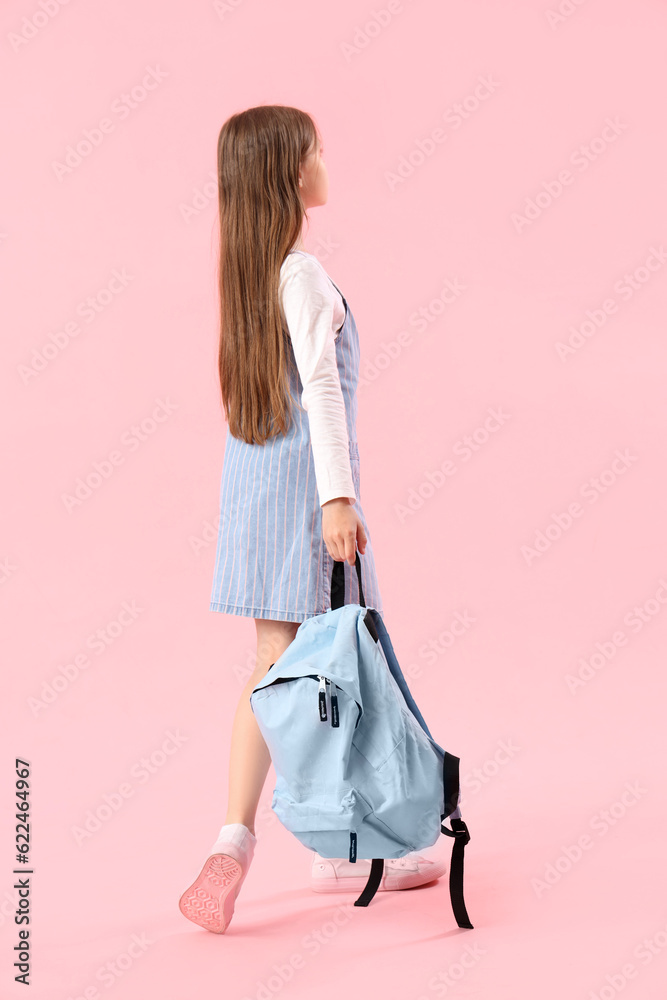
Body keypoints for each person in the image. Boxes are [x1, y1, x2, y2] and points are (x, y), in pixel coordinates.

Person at [179, 105, 445, 934]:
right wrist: (337, 497)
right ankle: (347, 842)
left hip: (252, 490)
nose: (326, 159)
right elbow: (322, 390)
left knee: (274, 669)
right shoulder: (300, 273)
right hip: (303, 492)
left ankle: (236, 838)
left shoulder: (250, 272)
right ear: (293, 174)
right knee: (335, 671)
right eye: (316, 149)